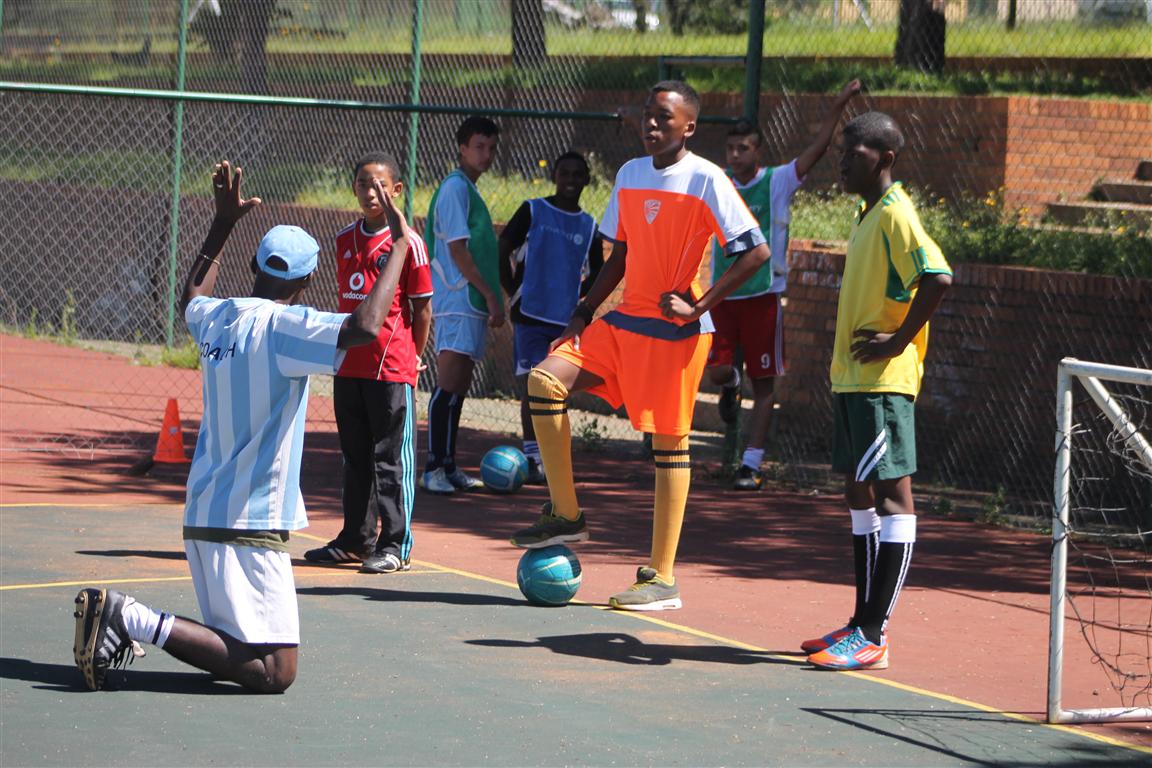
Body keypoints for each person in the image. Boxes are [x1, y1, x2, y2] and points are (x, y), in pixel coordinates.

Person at [71, 159, 411, 692]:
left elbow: (191, 297)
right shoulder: (286, 326)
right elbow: (367, 326)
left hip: (205, 512)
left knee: (243, 652)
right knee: (277, 671)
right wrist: (401, 245)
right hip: (250, 521)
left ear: (254, 264)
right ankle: (129, 616)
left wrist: (222, 223)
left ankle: (133, 620)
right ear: (308, 280)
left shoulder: (218, 316)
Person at [510, 81, 770, 611]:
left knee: (669, 447)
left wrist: (699, 306)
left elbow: (755, 252)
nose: (652, 124)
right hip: (625, 321)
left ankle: (662, 579)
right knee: (544, 380)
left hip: (678, 333)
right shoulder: (630, 173)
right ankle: (566, 514)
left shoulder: (707, 178)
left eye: (664, 118)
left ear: (689, 127)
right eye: (648, 115)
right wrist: (583, 311)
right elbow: (620, 256)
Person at [803, 112, 952, 670]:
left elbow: (937, 276)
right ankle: (859, 621)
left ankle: (874, 633)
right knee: (857, 492)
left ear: (885, 158)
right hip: (854, 380)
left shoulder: (895, 212)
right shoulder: (866, 212)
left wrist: (900, 340)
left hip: (883, 384)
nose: (842, 162)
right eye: (841, 152)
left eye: (854, 153)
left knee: (892, 497)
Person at [708, 80, 862, 491]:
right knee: (719, 371)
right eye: (731, 148)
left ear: (757, 151)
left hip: (763, 296)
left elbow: (818, 148)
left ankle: (751, 464)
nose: (736, 155)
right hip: (722, 295)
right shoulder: (717, 183)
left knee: (764, 385)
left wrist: (839, 103)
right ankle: (731, 386)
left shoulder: (777, 181)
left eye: (744, 148)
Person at [303, 152, 432, 573]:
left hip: (391, 367)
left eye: (379, 185)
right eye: (362, 183)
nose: (370, 192)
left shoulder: (410, 243)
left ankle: (396, 544)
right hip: (349, 365)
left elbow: (422, 309)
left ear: (396, 190)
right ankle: (356, 540)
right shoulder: (344, 239)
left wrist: (414, 356)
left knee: (390, 459)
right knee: (355, 458)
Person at [498, 151, 604, 485]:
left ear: (586, 180)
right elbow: (503, 247)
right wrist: (513, 288)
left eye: (577, 174)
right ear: (554, 177)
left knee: (555, 389)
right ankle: (533, 456)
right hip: (530, 314)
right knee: (532, 385)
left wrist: (576, 296)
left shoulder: (590, 226)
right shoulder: (533, 210)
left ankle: (551, 456)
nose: (570, 180)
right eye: (564, 173)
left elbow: (599, 272)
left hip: (565, 321)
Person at [422, 116, 504, 494]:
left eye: (491, 148)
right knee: (448, 385)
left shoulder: (468, 188)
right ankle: (433, 468)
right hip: (457, 297)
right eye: (479, 147)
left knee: (458, 388)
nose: (486, 154)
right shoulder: (455, 188)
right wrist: (490, 294)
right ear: (462, 148)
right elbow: (457, 249)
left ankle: (449, 465)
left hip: (467, 300)